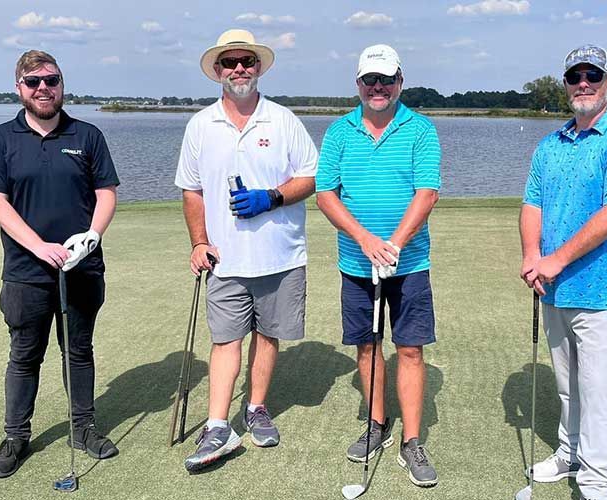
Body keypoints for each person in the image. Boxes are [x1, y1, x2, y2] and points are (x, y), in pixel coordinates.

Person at [174, 29, 317, 471]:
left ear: (258, 67)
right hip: (224, 258)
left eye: (247, 62)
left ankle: (255, 408)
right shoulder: (201, 124)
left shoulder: (283, 119)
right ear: (217, 71)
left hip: (280, 254)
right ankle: (218, 424)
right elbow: (192, 190)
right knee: (225, 340)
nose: (239, 69)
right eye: (230, 63)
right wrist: (199, 241)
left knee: (268, 335)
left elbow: (311, 177)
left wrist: (271, 197)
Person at [519, 44, 607, 500]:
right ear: (566, 83)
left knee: (596, 390)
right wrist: (532, 255)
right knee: (566, 386)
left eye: (592, 75)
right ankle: (569, 453)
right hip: (556, 289)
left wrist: (555, 259)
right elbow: (532, 203)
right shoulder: (551, 144)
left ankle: (596, 483)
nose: (583, 83)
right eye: (575, 76)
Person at [0, 50, 120, 478]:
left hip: (81, 267)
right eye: (33, 81)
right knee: (25, 353)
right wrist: (39, 245)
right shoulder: (1, 138)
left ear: (62, 84)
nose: (44, 88)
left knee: (78, 351)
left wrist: (93, 236)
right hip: (26, 271)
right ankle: (16, 437)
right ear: (19, 88)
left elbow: (106, 192)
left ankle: (84, 428)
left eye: (51, 80)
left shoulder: (88, 134)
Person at [315, 44, 441, 488]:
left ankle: (410, 440)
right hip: (355, 261)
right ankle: (376, 423)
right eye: (370, 80)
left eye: (386, 79)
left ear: (400, 82)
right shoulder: (338, 132)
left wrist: (394, 244)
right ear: (359, 84)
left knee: (409, 348)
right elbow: (325, 193)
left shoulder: (420, 130)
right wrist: (366, 241)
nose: (378, 87)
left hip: (410, 263)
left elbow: (427, 193)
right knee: (367, 346)